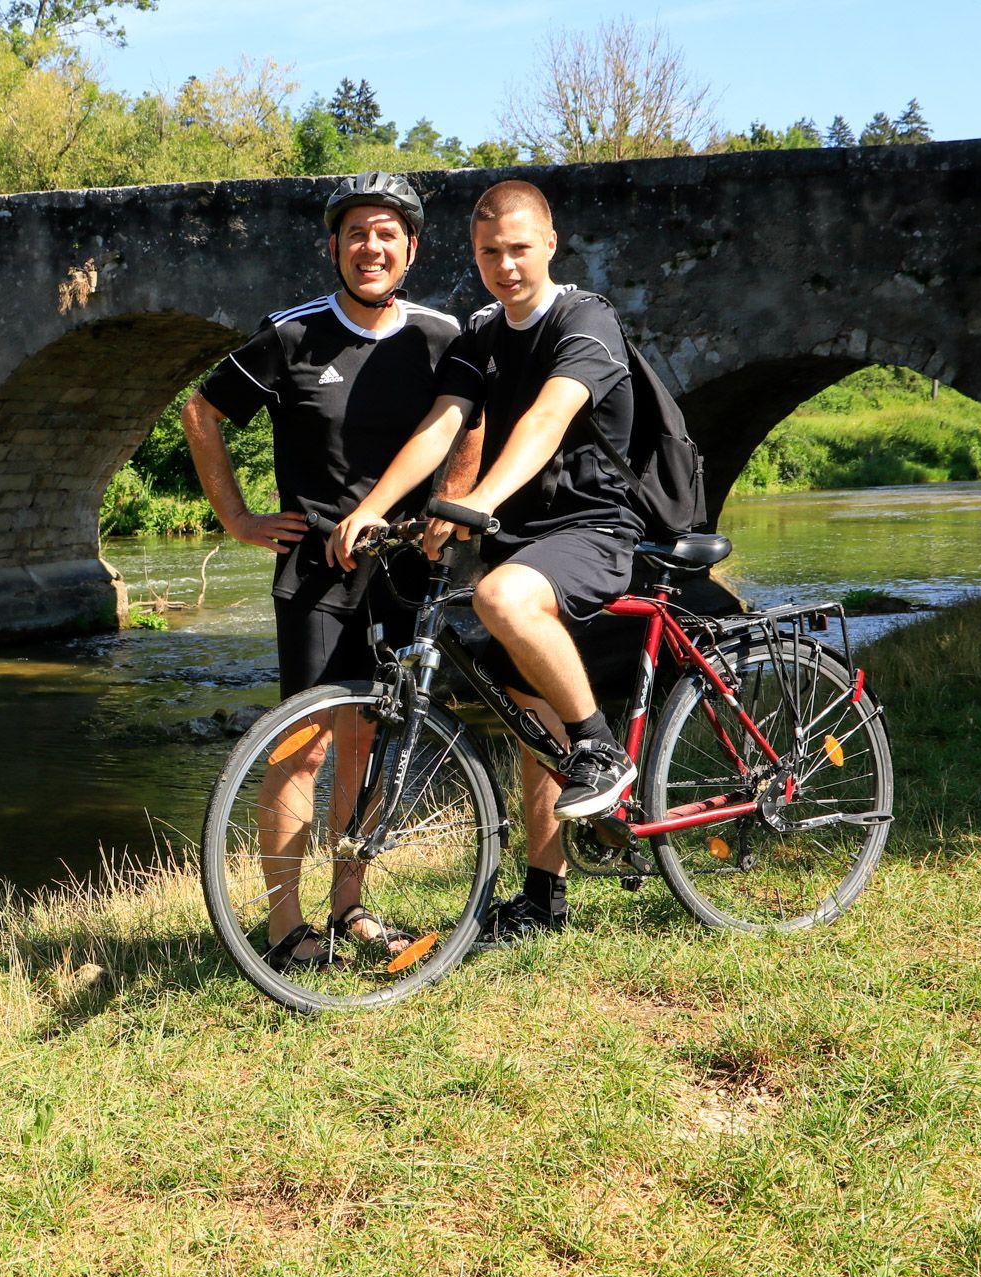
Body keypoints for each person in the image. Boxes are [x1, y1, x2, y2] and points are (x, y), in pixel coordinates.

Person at [328, 178, 643, 944]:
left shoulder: (584, 320)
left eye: (519, 250)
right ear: (474, 255)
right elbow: (444, 424)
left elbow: (547, 418)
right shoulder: (480, 332)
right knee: (527, 713)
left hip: (595, 526)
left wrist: (477, 501)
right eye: (489, 253)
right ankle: (543, 896)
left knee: (501, 597)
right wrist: (379, 504)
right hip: (524, 534)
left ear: (551, 245)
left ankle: (600, 748)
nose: (505, 267)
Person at [180, 171, 470, 969]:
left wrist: (451, 506)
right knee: (300, 744)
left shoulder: (441, 336)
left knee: (368, 735)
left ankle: (349, 906)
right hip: (317, 566)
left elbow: (468, 425)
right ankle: (284, 928)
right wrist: (236, 518)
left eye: (387, 234)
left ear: (410, 248)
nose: (370, 247)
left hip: (406, 563)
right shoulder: (292, 335)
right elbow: (200, 412)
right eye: (355, 234)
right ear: (334, 248)